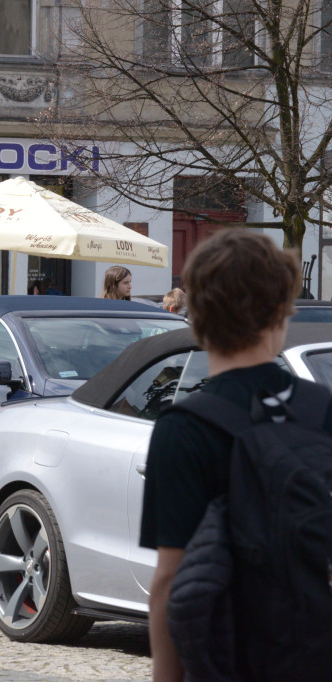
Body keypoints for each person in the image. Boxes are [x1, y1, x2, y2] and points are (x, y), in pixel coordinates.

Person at [139, 229, 320, 681]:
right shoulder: (324, 409)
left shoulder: (183, 429)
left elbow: (170, 579)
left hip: (228, 655)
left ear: (194, 315)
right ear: (281, 311)